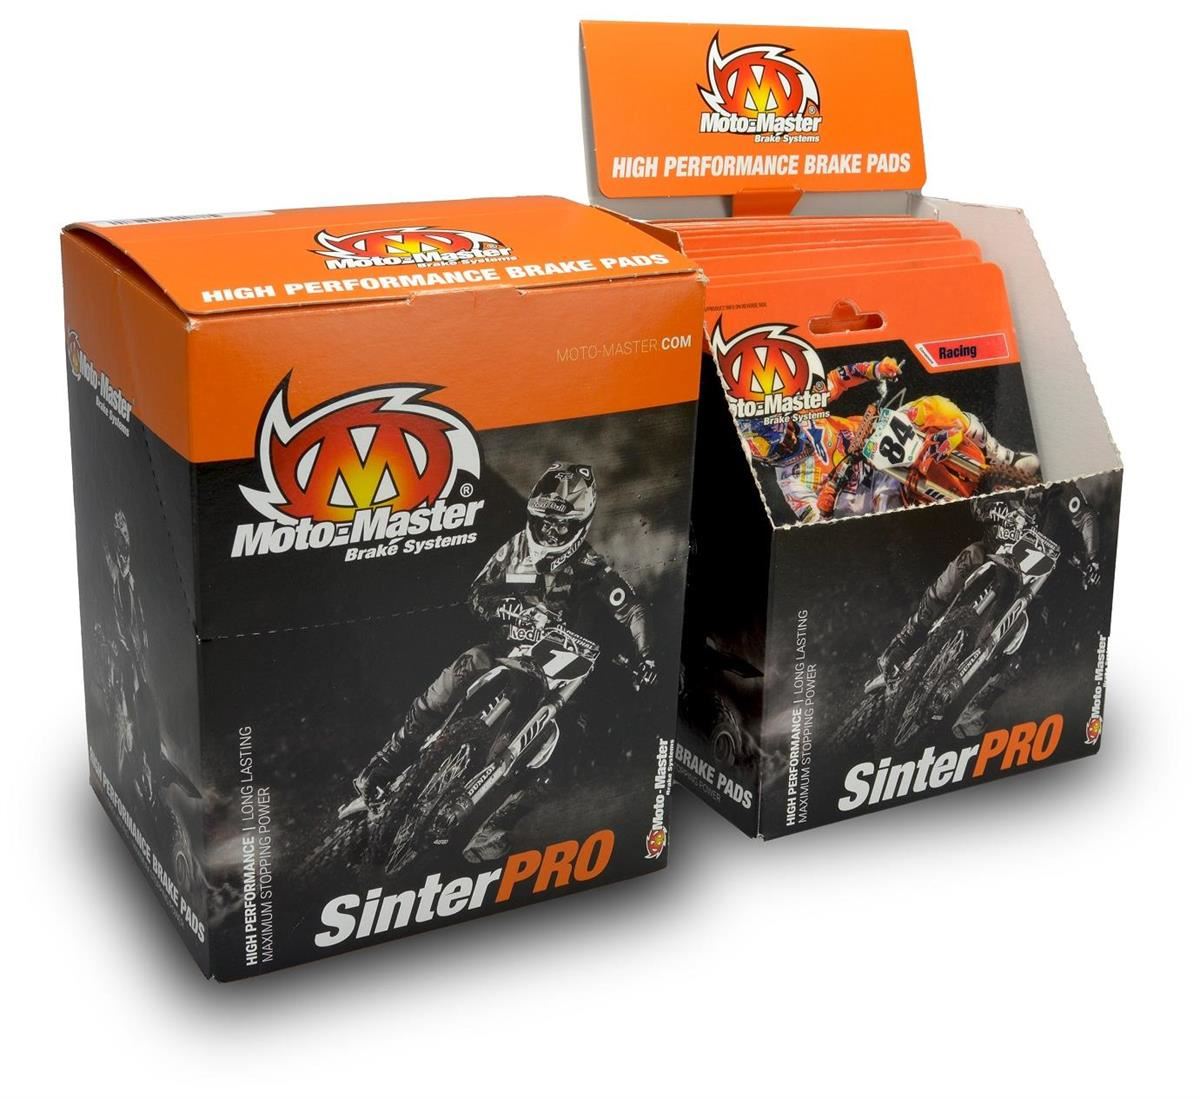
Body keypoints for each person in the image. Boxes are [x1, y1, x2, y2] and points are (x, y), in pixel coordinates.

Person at [355, 463, 657, 845]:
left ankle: (497, 826)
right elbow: (477, 592)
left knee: (568, 748)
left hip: (566, 670)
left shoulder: (594, 567)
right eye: (543, 521)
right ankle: (386, 762)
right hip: (511, 647)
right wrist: (505, 609)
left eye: (560, 526)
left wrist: (646, 656)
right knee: (464, 668)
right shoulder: (515, 548)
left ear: (580, 526)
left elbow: (632, 609)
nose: (549, 531)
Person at [878, 481, 1103, 738]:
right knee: (966, 560)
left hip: (1031, 576)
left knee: (1036, 632)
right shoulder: (1007, 477)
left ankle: (977, 707)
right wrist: (996, 509)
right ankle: (904, 641)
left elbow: (1085, 517)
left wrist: (1093, 559)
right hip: (993, 552)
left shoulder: (1062, 491)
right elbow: (975, 501)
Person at [742, 357, 1037, 521]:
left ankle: (1003, 456)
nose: (791, 437)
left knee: (936, 407)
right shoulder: (791, 485)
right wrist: (827, 504)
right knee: (893, 517)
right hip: (872, 489)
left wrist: (875, 369)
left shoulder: (801, 408)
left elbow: (836, 378)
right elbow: (814, 524)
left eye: (787, 429)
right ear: (767, 457)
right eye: (782, 443)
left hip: (877, 431)